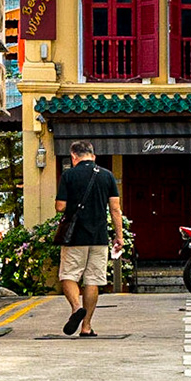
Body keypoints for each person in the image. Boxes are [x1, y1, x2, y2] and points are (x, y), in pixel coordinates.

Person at [53, 139, 125, 337]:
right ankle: (86, 326)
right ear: (93, 156)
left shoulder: (69, 175)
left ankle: (77, 308)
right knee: (92, 280)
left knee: (68, 275)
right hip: (99, 237)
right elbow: (115, 209)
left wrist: (73, 204)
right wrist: (118, 236)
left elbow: (60, 206)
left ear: (73, 156)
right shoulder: (107, 176)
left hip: (75, 236)